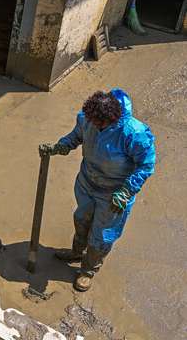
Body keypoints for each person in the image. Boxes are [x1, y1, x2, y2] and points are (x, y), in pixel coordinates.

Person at [39, 89, 155, 292]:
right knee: (82, 218)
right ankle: (77, 251)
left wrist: (127, 190)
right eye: (90, 121)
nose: (92, 125)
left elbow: (146, 165)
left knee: (102, 234)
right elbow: (76, 136)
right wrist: (61, 146)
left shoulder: (134, 133)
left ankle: (88, 270)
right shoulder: (87, 119)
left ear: (111, 120)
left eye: (98, 124)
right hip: (87, 182)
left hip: (114, 193)